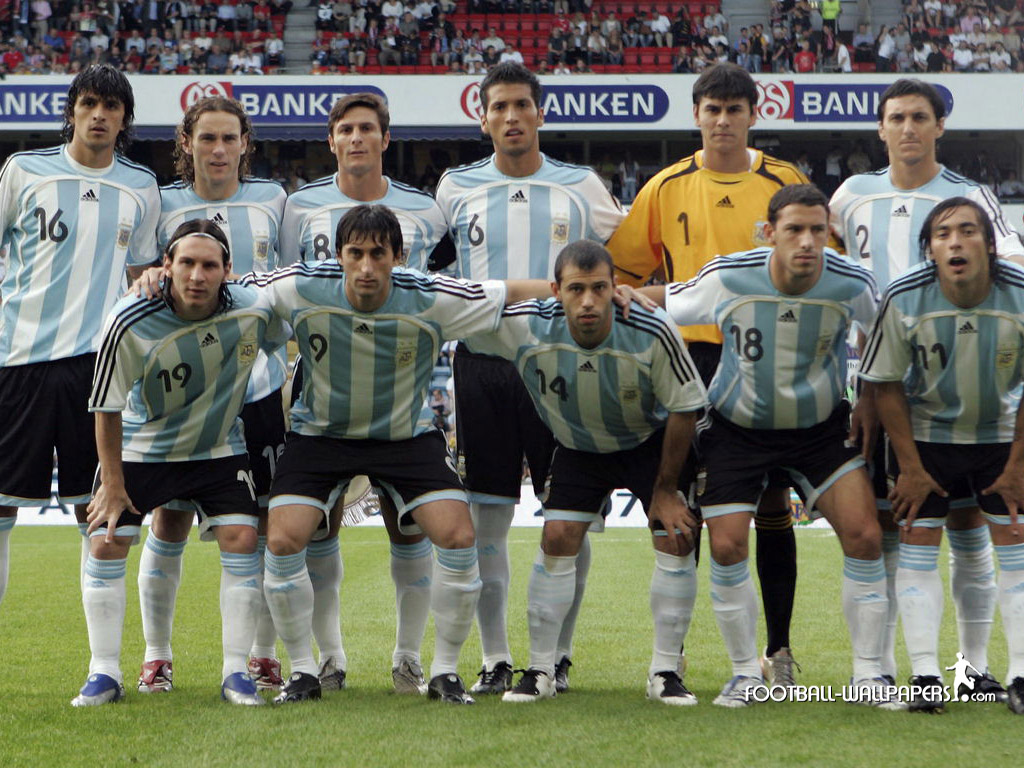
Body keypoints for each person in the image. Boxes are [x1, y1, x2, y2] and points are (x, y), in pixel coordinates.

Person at [248, 204, 554, 704]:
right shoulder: (301, 286)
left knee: (458, 536)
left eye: (377, 254)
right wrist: (160, 275)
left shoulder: (430, 295)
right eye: (355, 254)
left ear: (399, 255)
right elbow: (232, 285)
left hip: (405, 437)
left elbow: (507, 292)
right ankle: (303, 671)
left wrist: (577, 288)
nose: (366, 266)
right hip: (320, 436)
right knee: (282, 542)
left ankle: (443, 671)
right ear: (339, 255)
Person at [644, 184, 899, 708]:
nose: (808, 242)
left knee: (865, 534)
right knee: (727, 545)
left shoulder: (852, 282)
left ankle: (870, 675)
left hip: (821, 432)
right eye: (794, 230)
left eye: (818, 230)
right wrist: (608, 292)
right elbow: (667, 301)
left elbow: (884, 330)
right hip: (738, 430)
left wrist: (870, 392)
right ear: (769, 234)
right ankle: (746, 675)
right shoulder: (728, 275)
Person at [606, 63, 810, 689]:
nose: (722, 120)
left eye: (734, 109)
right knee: (684, 499)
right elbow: (624, 274)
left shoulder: (784, 180)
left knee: (772, 498)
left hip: (763, 357)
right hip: (688, 359)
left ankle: (778, 650)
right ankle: (678, 652)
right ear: (695, 114)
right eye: (712, 109)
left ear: (754, 113)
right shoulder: (665, 187)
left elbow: (813, 262)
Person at [435, 62, 624, 695]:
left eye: (522, 105)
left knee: (568, 515)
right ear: (482, 116)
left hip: (562, 369)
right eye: (499, 107)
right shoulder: (454, 189)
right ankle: (495, 658)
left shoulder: (582, 186)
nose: (511, 117)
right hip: (483, 369)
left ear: (540, 113)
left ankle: (559, 653)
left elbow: (626, 262)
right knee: (487, 519)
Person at [831, 78, 1024, 693]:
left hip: (963, 386)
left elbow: (1009, 267)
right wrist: (860, 380)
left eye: (920, 117)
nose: (908, 128)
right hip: (880, 386)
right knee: (896, 527)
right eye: (897, 118)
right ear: (880, 129)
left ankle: (973, 668)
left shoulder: (970, 198)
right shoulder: (852, 196)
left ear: (939, 126)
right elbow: (833, 276)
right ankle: (889, 669)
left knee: (969, 533)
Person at [467, 241, 708, 704]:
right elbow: (458, 312)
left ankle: (664, 671)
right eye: (576, 289)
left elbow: (684, 409)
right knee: (557, 537)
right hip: (579, 445)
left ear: (617, 287)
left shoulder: (652, 328)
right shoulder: (527, 326)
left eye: (600, 288)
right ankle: (539, 670)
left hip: (649, 443)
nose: (589, 301)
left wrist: (665, 490)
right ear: (556, 290)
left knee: (675, 536)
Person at [278, 92, 452, 695]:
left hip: (401, 390)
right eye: (345, 128)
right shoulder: (298, 208)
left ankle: (409, 657)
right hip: (324, 390)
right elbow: (283, 288)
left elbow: (442, 289)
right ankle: (328, 658)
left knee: (408, 530)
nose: (356, 138)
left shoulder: (424, 210)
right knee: (317, 527)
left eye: (368, 129)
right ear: (331, 139)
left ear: (385, 137)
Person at [76, 218, 288, 707]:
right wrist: (111, 485)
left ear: (227, 271)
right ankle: (105, 671)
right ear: (165, 266)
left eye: (209, 265)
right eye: (186, 263)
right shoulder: (130, 318)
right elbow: (105, 406)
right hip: (141, 448)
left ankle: (236, 673)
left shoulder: (255, 309)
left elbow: (288, 325)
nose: (197, 275)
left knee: (243, 537)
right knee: (107, 540)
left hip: (216, 446)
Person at [135, 96, 287, 695]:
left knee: (263, 523)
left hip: (259, 388)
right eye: (207, 139)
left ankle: (262, 655)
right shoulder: (162, 203)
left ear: (245, 143)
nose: (218, 150)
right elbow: (140, 275)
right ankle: (157, 656)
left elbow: (291, 284)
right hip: (183, 390)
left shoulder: (275, 202)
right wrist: (146, 275)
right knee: (169, 519)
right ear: (187, 144)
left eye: (229, 139)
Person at [0, 65, 159, 616]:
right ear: (71, 111)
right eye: (89, 103)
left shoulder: (141, 187)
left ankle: (99, 666)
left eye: (111, 107)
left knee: (97, 517)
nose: (99, 115)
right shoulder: (24, 170)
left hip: (96, 371)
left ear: (124, 119)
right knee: (0, 513)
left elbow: (141, 275)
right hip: (15, 363)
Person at [859, 197, 1024, 715]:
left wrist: (1019, 467)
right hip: (924, 435)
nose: (956, 242)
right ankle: (927, 675)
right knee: (917, 545)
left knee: (1015, 546)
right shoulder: (904, 296)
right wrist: (909, 467)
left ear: (990, 244)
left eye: (968, 231)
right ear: (928, 249)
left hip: (999, 433)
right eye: (943, 234)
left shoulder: (1020, 294)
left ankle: (1017, 674)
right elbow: (884, 383)